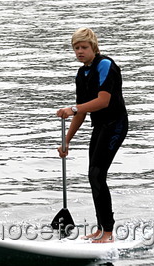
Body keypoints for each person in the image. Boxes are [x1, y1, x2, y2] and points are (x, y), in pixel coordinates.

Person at [56, 28, 128, 243]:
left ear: (93, 48)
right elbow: (82, 109)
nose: (79, 51)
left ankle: (108, 232)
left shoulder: (105, 65)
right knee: (93, 176)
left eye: (84, 47)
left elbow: (103, 101)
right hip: (100, 126)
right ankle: (100, 229)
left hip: (115, 125)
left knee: (97, 175)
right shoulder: (81, 74)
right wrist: (66, 141)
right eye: (76, 48)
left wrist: (73, 109)